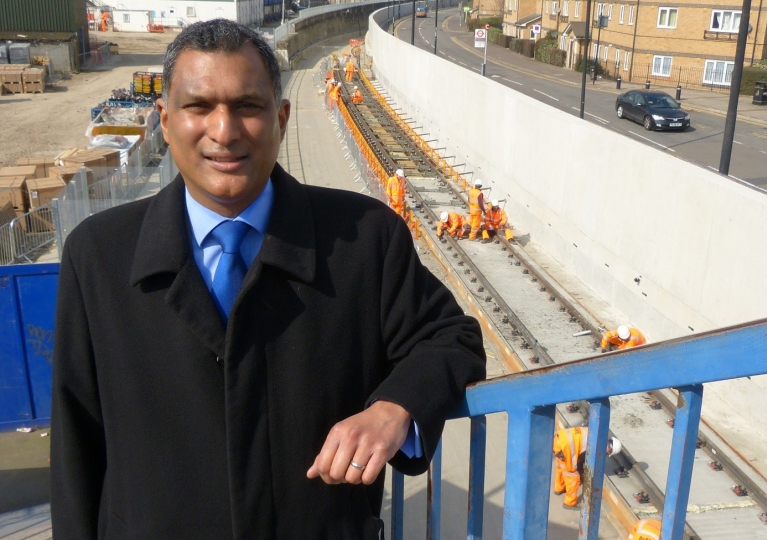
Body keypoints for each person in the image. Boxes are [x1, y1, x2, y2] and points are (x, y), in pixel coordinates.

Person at [50, 19, 486, 540]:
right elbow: (76, 443)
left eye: (247, 107)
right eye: (199, 107)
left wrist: (395, 408)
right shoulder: (98, 256)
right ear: (164, 121)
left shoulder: (365, 240)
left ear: (280, 118)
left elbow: (451, 337)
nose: (225, 131)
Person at [553, 427, 621, 509]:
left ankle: (559, 488)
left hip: (559, 439)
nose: (606, 452)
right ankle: (569, 503)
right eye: (609, 452)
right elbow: (580, 462)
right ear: (610, 448)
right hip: (565, 447)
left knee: (562, 467)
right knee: (573, 477)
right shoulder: (594, 446)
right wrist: (581, 473)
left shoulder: (597, 433)